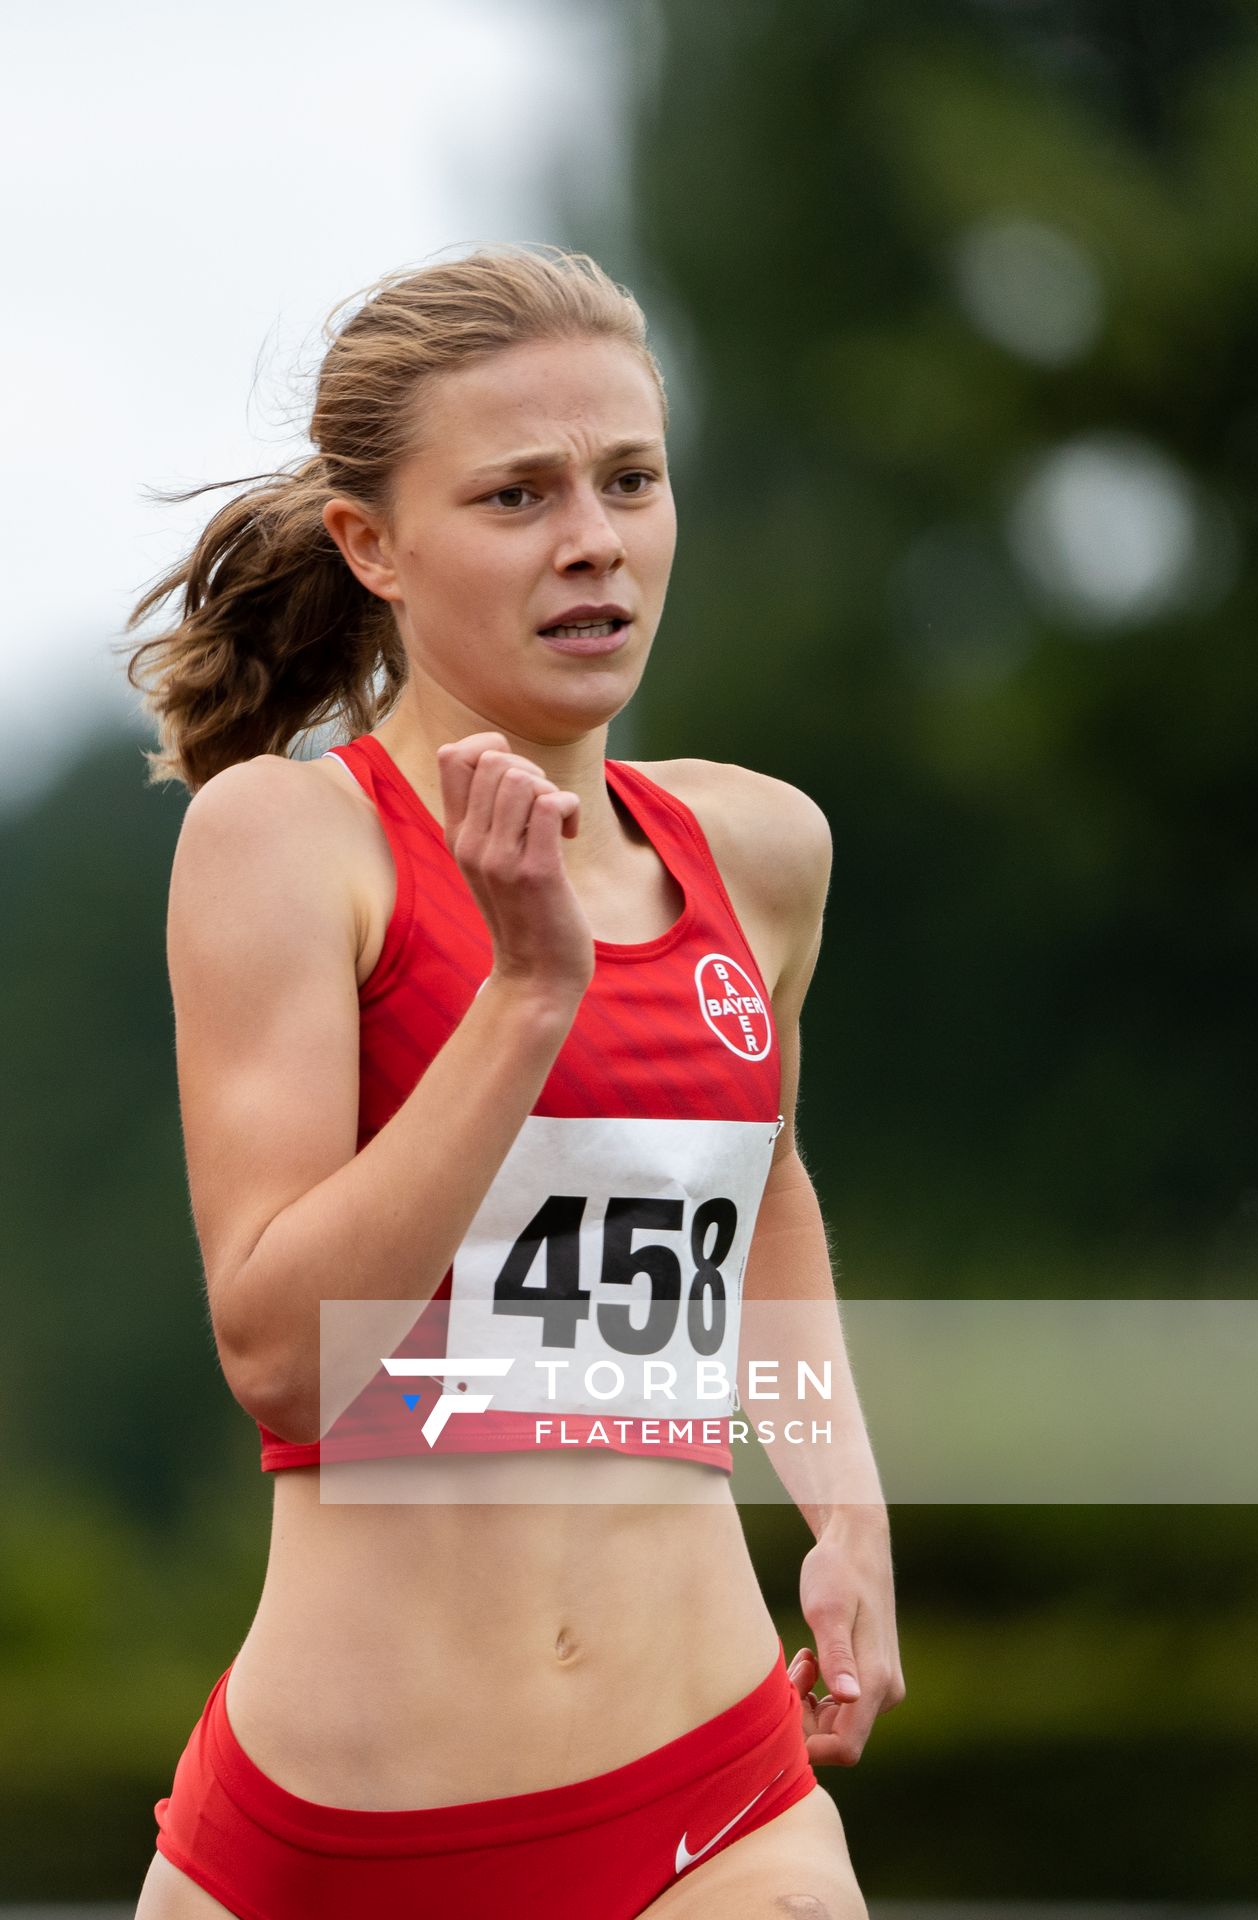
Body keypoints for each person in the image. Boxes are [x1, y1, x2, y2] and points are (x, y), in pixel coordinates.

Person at [125, 243, 904, 1920]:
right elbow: (281, 1357)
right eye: (517, 494)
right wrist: (526, 995)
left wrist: (842, 1501)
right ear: (372, 546)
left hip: (716, 1801)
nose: (594, 540)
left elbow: (757, 1193)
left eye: (630, 478)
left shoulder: (760, 851)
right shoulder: (284, 844)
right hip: (334, 1850)